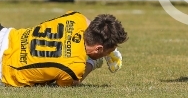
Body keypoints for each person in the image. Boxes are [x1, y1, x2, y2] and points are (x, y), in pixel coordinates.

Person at [0, 11, 128, 86]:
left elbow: (87, 22)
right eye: (108, 52)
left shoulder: (76, 18)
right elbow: (74, 83)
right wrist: (94, 62)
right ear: (98, 49)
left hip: (6, 34)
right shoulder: (75, 67)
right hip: (4, 65)